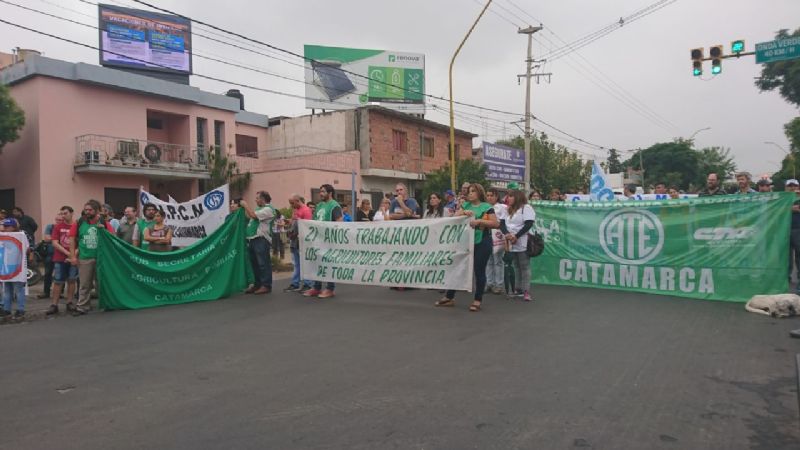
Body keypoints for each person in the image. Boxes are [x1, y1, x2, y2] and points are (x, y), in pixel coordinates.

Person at [434, 183, 499, 312]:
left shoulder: (487, 207)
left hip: (482, 241)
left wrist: (479, 221)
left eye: (473, 191)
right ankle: (449, 296)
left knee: (479, 271)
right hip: (465, 241)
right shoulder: (465, 205)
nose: (470, 193)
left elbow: (496, 223)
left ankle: (477, 299)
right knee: (457, 267)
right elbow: (453, 218)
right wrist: (463, 212)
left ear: (479, 193)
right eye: (469, 191)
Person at [69, 199, 114, 315]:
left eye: (90, 210)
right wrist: (73, 256)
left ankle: (105, 304)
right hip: (85, 257)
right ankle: (82, 307)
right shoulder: (78, 222)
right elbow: (72, 239)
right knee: (84, 284)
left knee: (102, 283)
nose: (87, 212)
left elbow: (113, 238)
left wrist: (103, 230)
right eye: (86, 209)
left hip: (101, 258)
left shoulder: (104, 223)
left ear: (97, 211)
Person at [304, 184, 343, 298]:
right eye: (320, 191)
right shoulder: (319, 205)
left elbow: (339, 222)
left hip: (329, 241)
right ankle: (316, 287)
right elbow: (314, 220)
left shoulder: (334, 205)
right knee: (317, 263)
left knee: (329, 264)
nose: (320, 193)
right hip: (318, 240)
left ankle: (330, 289)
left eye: (323, 191)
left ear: (330, 193)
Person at [501, 190, 536, 301]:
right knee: (516, 265)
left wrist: (516, 235)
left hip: (522, 240)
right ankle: (518, 288)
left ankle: (526, 291)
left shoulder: (526, 208)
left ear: (517, 197)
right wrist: (507, 234)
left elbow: (528, 224)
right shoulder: (507, 209)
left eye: (511, 196)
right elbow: (501, 223)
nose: (508, 199)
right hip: (509, 241)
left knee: (524, 266)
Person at [241, 191, 276, 295]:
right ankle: (257, 284)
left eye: (257, 198)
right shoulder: (258, 209)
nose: (255, 200)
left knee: (263, 263)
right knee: (254, 264)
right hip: (252, 239)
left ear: (263, 199)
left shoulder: (268, 209)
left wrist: (245, 205)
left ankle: (266, 285)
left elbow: (253, 215)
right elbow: (250, 217)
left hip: (261, 239)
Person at [47, 206, 78, 315]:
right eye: (62, 214)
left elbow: (81, 242)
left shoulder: (77, 225)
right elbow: (55, 242)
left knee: (72, 280)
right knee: (58, 281)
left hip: (73, 258)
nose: (63, 216)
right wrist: (68, 253)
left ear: (72, 213)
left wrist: (73, 255)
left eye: (65, 213)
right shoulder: (58, 226)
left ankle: (69, 302)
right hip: (60, 258)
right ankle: (54, 304)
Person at [285, 194, 313, 293]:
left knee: (304, 263)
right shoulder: (296, 210)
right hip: (295, 240)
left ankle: (308, 284)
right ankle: (295, 283)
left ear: (297, 201)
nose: (291, 205)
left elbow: (308, 225)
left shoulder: (305, 210)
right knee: (297, 264)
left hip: (302, 240)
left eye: (293, 203)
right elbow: (294, 222)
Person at [1, 218, 27, 320]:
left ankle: (21, 310)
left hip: (17, 266)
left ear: (13, 227)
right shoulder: (3, 236)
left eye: (8, 226)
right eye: (5, 226)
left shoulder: (21, 235)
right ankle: (7, 309)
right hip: (6, 267)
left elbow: (27, 248)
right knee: (7, 289)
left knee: (19, 289)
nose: (6, 228)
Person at [485, 188, 508, 295]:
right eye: (488, 195)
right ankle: (489, 283)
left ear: (496, 196)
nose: (489, 197)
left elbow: (505, 221)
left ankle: (498, 285)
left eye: (492, 195)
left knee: (498, 261)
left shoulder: (502, 207)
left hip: (498, 236)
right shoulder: (484, 207)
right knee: (488, 261)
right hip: (487, 235)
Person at [36, 212, 60, 299]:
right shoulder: (50, 226)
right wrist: (58, 238)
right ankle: (46, 292)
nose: (58, 221)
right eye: (57, 220)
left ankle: (59, 293)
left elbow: (50, 238)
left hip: (60, 254)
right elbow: (46, 238)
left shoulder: (63, 227)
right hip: (50, 254)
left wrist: (53, 238)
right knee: (47, 274)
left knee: (59, 274)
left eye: (60, 220)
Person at [787, 180, 800, 286]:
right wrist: (790, 208)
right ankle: (786, 277)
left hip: (798, 229)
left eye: (794, 185)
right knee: (786, 256)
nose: (792, 187)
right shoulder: (782, 199)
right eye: (789, 185)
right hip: (784, 230)